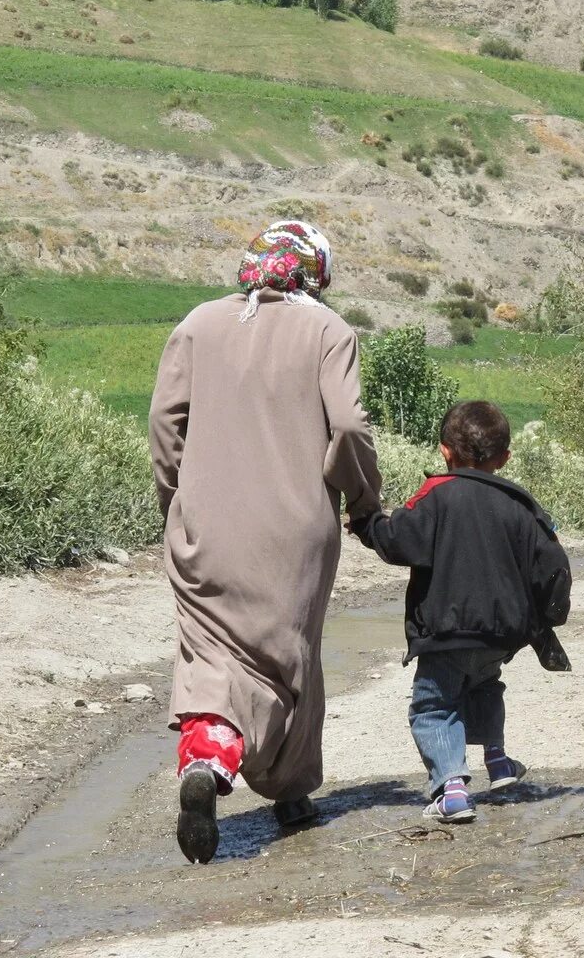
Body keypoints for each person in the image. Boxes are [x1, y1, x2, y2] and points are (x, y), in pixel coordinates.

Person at [150, 220, 384, 865]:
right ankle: (289, 790)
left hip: (204, 523)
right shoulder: (328, 330)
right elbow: (348, 425)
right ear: (315, 272)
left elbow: (165, 422)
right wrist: (364, 503)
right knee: (288, 654)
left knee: (210, 652)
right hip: (295, 528)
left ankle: (207, 760)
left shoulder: (197, 324)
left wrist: (175, 500)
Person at [350, 401, 572, 824]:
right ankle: (499, 763)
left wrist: (366, 524)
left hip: (447, 633)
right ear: (505, 458)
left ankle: (451, 789)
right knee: (485, 686)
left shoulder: (436, 494)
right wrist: (543, 619)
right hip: (501, 635)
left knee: (435, 706)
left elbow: (398, 540)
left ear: (444, 451)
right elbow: (552, 567)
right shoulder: (520, 504)